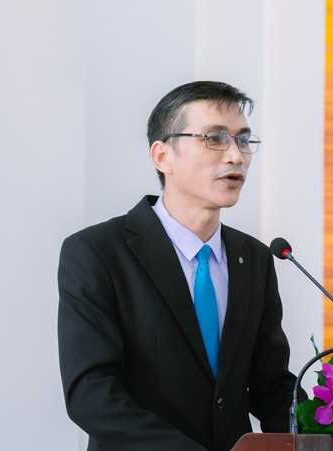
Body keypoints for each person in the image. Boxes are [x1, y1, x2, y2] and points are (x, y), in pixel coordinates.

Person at [57, 81, 302, 451]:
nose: (235, 156)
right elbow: (91, 394)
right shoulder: (97, 252)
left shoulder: (254, 258)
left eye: (243, 140)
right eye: (215, 138)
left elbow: (271, 388)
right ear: (162, 156)